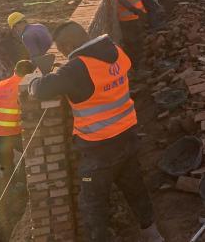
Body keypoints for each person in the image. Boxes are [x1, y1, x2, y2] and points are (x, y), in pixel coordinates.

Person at [27, 21, 164, 242]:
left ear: (68, 44)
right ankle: (152, 234)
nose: (63, 53)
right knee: (135, 187)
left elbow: (42, 89)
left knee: (93, 206)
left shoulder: (77, 69)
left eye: (62, 48)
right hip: (127, 138)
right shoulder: (115, 52)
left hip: (99, 151)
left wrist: (33, 81)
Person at [114, 0, 146, 72]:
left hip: (134, 17)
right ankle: (136, 70)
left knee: (137, 43)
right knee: (134, 45)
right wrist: (135, 10)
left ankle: (138, 67)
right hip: (129, 20)